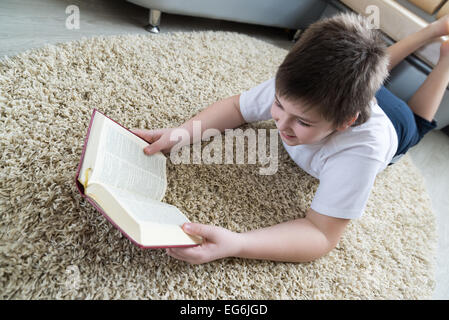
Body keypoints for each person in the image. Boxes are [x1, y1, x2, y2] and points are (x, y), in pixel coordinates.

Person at [131, 12, 449, 264]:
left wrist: (238, 244)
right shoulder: (294, 89)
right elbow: (235, 108)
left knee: (417, 123)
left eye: (303, 122)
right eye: (279, 106)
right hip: (357, 97)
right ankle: (433, 30)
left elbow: (321, 234)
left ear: (343, 123)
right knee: (369, 72)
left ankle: (446, 59)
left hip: (398, 124)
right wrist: (183, 133)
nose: (281, 123)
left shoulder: (361, 152)